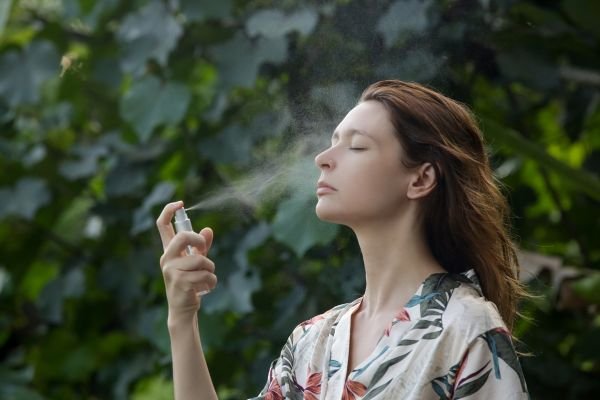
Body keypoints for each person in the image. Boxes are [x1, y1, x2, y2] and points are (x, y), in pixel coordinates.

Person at [155, 80, 530, 399]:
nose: (322, 158)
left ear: (420, 179)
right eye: (333, 141)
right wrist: (182, 320)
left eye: (356, 146)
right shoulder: (312, 341)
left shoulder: (465, 328)